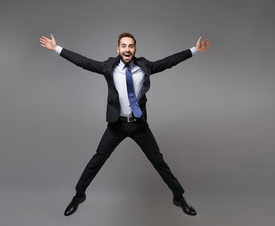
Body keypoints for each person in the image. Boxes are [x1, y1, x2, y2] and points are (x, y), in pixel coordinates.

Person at [39, 32, 211, 216]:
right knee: (96, 161)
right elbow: (82, 61)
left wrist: (194, 50)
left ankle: (179, 198)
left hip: (139, 125)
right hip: (116, 125)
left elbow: (169, 62)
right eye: (123, 46)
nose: (127, 49)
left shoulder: (145, 66)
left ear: (134, 49)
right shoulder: (108, 67)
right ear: (118, 48)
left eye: (130, 46)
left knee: (159, 162)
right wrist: (56, 48)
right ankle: (78, 196)